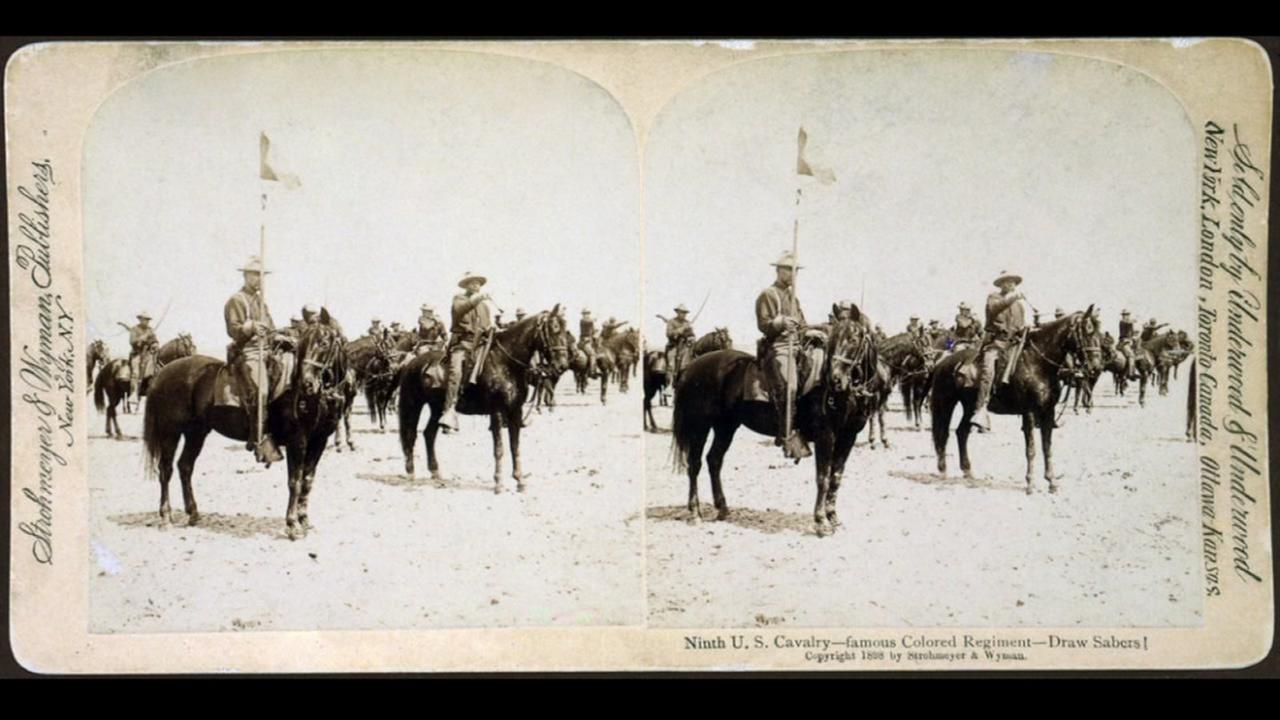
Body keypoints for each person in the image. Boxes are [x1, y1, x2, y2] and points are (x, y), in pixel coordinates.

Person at [223, 255, 289, 464]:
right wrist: (250, 327)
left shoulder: (261, 301)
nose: (259, 280)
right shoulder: (236, 300)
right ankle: (258, 438)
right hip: (248, 352)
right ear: (245, 276)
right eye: (255, 276)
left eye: (262, 276)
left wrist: (279, 336)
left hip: (268, 351)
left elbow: (270, 328)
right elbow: (233, 330)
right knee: (261, 390)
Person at [755, 250, 810, 460]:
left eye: (795, 271)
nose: (793, 275)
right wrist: (780, 323)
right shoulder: (769, 294)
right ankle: (786, 434)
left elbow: (802, 324)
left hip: (798, 346)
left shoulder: (793, 297)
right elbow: (764, 324)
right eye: (789, 270)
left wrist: (810, 330)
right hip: (778, 346)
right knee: (791, 386)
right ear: (779, 271)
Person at [972, 270, 1029, 432]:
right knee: (987, 372)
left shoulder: (1019, 306)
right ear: (1001, 284)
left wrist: (1024, 330)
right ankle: (980, 410)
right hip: (996, 343)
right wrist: (1012, 298)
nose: (1010, 284)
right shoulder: (993, 298)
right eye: (1006, 281)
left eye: (1012, 282)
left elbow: (1020, 324)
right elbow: (994, 309)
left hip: (1014, 344)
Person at [441, 272, 494, 432]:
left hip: (480, 345)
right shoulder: (459, 299)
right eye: (472, 283)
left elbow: (487, 325)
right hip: (463, 344)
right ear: (466, 286)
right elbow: (462, 309)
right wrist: (477, 298)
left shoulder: (485, 306)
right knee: (455, 373)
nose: (476, 286)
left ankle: (499, 412)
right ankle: (448, 412)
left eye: (478, 283)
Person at [117, 311, 159, 398]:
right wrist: (141, 339)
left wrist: (155, 344)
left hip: (148, 354)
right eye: (145, 319)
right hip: (137, 354)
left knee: (156, 370)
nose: (146, 321)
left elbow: (154, 340)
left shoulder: (150, 330)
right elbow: (132, 342)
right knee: (135, 372)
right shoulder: (134, 329)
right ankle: (133, 393)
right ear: (140, 320)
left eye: (148, 320)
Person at [665, 304, 695, 377]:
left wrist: (691, 337)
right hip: (673, 346)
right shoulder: (671, 322)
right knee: (671, 365)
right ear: (677, 312)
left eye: (685, 313)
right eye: (682, 312)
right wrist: (679, 330)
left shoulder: (687, 323)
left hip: (685, 346)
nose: (684, 314)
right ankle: (670, 383)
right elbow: (668, 334)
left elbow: (691, 334)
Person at [1118, 310, 1138, 380]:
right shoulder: (1122, 321)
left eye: (1128, 315)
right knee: (1131, 355)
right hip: (1124, 342)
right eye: (1125, 315)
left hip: (1130, 342)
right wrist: (1133, 321)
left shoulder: (1129, 323)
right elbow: (1128, 322)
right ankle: (1131, 373)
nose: (1127, 316)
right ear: (1123, 316)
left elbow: (1132, 333)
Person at [580, 310, 600, 378]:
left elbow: (593, 331)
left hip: (591, 341)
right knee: (592, 354)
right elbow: (589, 321)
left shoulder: (590, 323)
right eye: (585, 314)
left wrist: (595, 332)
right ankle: (592, 371)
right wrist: (594, 319)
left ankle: (596, 368)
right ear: (583, 315)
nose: (587, 315)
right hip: (584, 341)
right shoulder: (583, 321)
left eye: (588, 314)